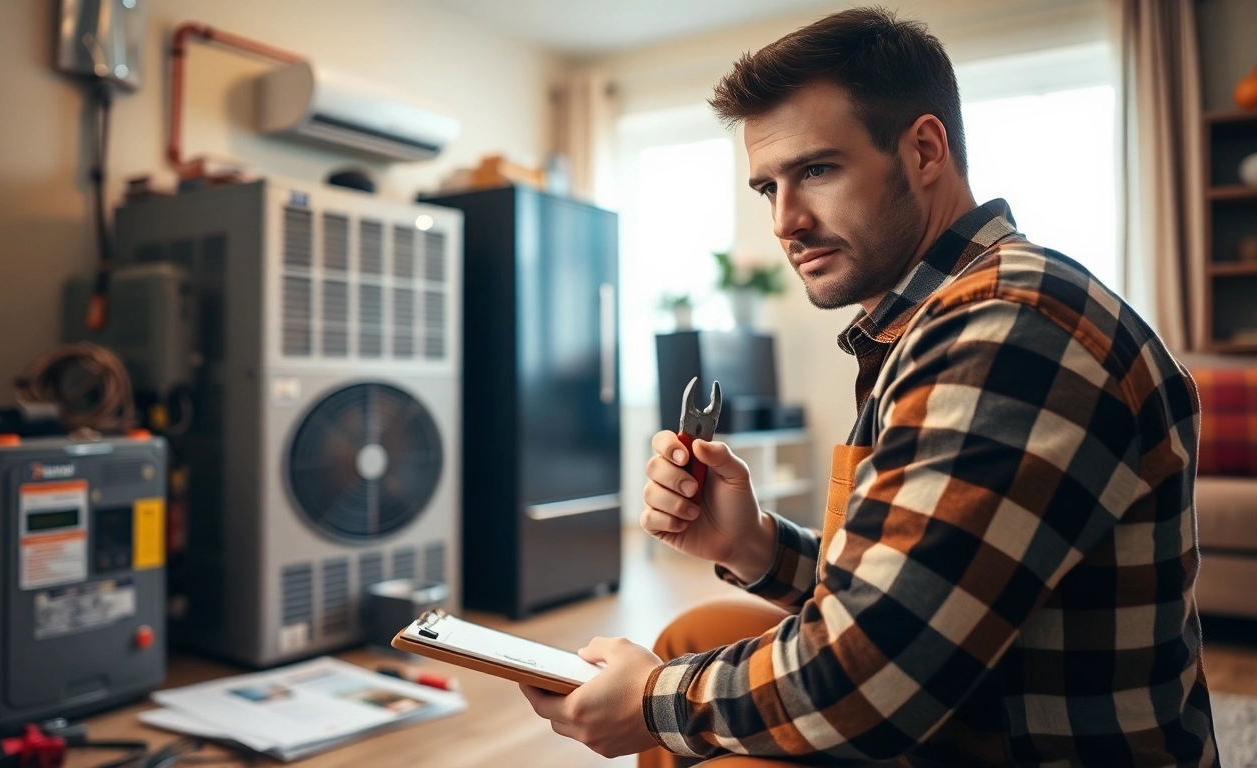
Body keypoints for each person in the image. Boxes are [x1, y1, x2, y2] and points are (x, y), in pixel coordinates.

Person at [519, 5, 1222, 767]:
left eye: (817, 169)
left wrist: (655, 703)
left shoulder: (1005, 329)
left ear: (923, 150)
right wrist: (752, 542)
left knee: (681, 708)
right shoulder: (941, 316)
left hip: (1022, 743)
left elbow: (873, 678)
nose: (786, 221)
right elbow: (916, 580)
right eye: (767, 188)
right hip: (974, 691)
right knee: (695, 635)